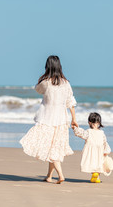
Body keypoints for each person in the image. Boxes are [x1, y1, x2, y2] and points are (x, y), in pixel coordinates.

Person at [20, 55, 78, 184]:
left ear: (48, 66)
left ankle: (61, 175)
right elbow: (71, 102)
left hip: (46, 120)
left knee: (52, 150)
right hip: (62, 120)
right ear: (59, 66)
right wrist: (74, 118)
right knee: (54, 148)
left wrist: (44, 76)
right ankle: (49, 176)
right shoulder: (66, 83)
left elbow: (37, 89)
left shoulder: (45, 82)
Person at [72, 112, 111, 183]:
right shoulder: (102, 132)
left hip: (90, 149)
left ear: (89, 122)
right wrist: (106, 150)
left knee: (92, 161)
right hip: (100, 150)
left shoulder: (89, 132)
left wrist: (75, 128)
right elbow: (105, 142)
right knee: (98, 163)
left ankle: (94, 175)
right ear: (99, 123)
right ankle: (97, 177)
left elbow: (81, 133)